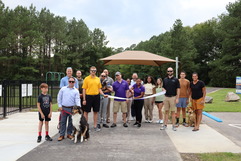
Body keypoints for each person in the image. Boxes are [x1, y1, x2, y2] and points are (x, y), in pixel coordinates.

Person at [82, 66, 107, 132]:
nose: (93, 72)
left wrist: (103, 94)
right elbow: (84, 89)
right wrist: (84, 99)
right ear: (90, 71)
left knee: (96, 111)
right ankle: (86, 127)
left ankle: (95, 126)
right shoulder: (86, 79)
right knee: (86, 112)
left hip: (96, 96)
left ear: (96, 71)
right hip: (88, 96)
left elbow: (99, 89)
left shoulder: (98, 79)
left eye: (94, 71)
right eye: (92, 70)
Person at [57, 77, 81, 141]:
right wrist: (60, 106)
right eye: (70, 81)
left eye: (72, 82)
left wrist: (78, 108)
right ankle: (61, 135)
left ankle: (69, 134)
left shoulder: (76, 91)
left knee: (71, 122)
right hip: (64, 108)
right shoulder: (63, 89)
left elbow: (77, 100)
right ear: (68, 82)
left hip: (72, 109)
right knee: (62, 122)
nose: (71, 83)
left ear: (74, 82)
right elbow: (59, 97)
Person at [161, 67, 180, 131]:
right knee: (166, 111)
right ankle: (165, 125)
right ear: (167, 72)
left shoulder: (176, 80)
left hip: (173, 97)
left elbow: (178, 89)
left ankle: (173, 125)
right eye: (168, 71)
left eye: (171, 71)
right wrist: (163, 89)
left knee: (173, 112)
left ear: (173, 72)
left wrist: (177, 98)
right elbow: (163, 87)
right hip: (166, 97)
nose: (170, 72)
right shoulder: (165, 79)